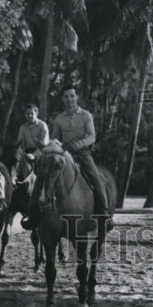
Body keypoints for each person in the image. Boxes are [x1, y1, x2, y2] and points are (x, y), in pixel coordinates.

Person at [25, 86, 113, 231]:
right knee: (42, 176)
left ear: (76, 97)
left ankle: (104, 213)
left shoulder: (86, 115)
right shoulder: (59, 118)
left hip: (83, 154)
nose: (69, 99)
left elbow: (92, 136)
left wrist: (80, 144)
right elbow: (54, 138)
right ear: (63, 99)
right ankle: (32, 213)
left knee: (95, 178)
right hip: (63, 154)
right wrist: (54, 145)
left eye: (72, 96)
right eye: (66, 96)